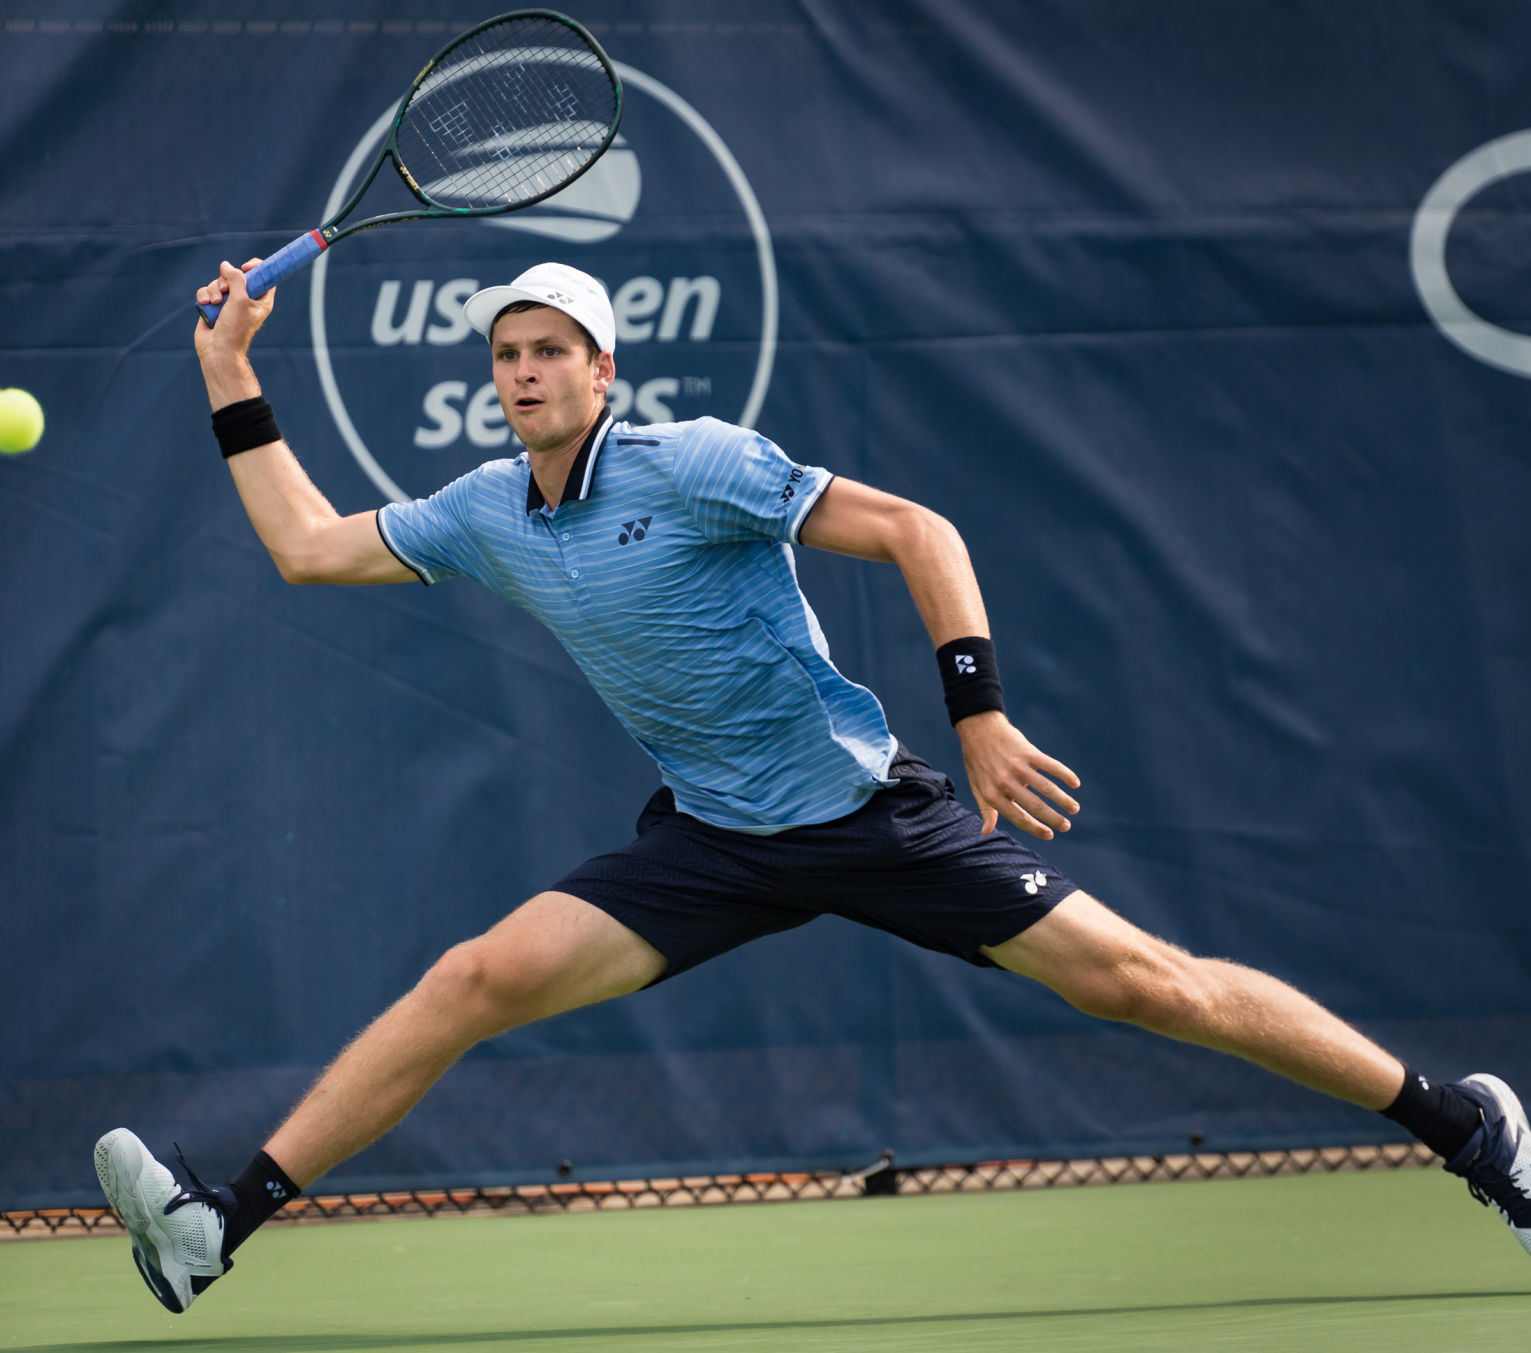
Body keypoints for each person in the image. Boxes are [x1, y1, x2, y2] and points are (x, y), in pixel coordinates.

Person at [96, 258, 1531, 1314]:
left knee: (1148, 984)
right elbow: (304, 546)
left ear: (605, 372)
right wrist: (232, 373)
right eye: (504, 353)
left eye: (551, 350)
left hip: (871, 817)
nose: (521, 370)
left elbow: (920, 526)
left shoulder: (703, 464)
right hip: (713, 843)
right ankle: (220, 1223)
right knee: (475, 977)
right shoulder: (485, 509)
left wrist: (978, 713)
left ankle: (1465, 1120)